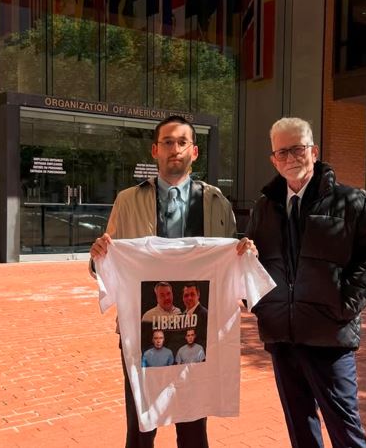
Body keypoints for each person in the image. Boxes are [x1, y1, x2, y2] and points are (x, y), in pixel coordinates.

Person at [89, 115, 256, 448]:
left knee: (193, 424)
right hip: (143, 328)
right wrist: (97, 258)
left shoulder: (216, 201)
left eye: (182, 142)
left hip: (197, 329)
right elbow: (107, 262)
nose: (174, 149)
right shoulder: (127, 200)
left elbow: (229, 260)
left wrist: (244, 254)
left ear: (194, 151)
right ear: (155, 150)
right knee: (141, 425)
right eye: (167, 142)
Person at [247, 117, 366, 448]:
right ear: (273, 159)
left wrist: (346, 304)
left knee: (345, 428)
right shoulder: (264, 207)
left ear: (314, 151)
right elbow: (252, 263)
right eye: (282, 152)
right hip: (282, 336)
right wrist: (259, 305)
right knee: (300, 428)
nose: (290, 158)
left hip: (329, 334)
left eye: (297, 149)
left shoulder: (353, 202)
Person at [181, 282, 208, 348]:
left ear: (198, 295)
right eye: (186, 295)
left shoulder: (205, 315)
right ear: (183, 298)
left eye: (192, 294)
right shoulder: (181, 316)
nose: (189, 298)